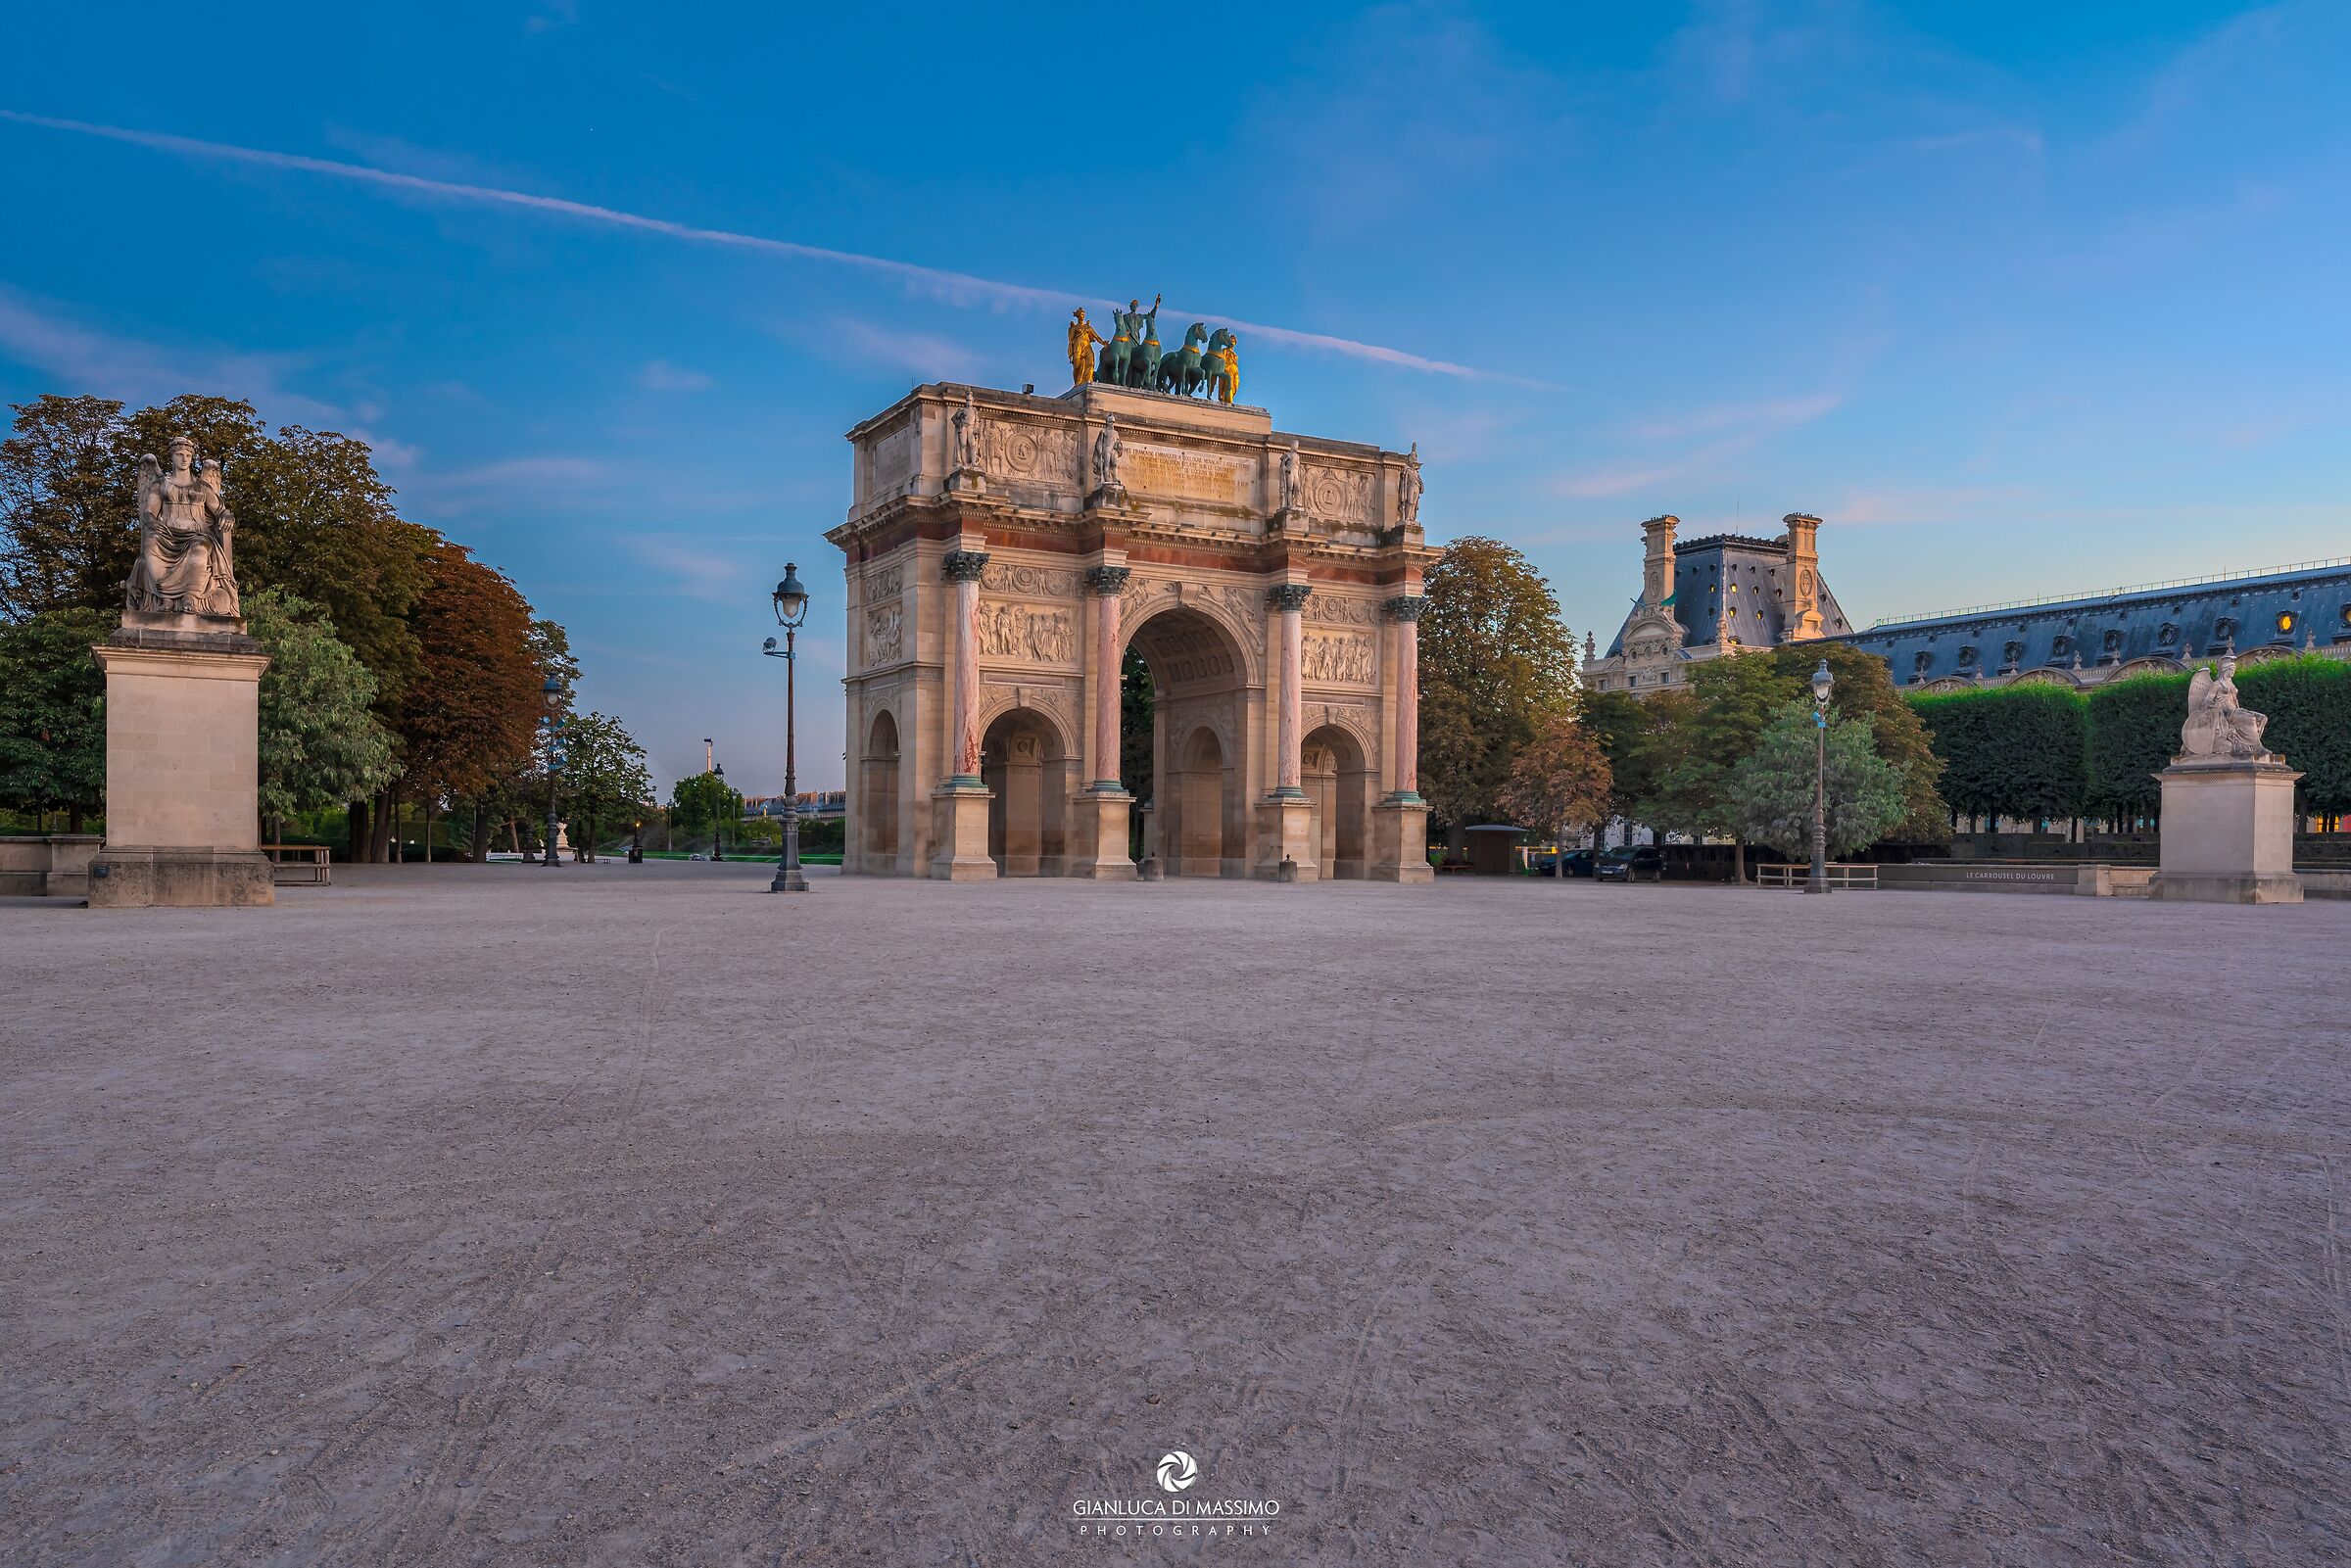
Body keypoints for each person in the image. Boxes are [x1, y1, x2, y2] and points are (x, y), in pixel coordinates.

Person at [1067, 308, 1106, 386]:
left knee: (1090, 363)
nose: (1083, 316)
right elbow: (1070, 341)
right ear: (1078, 316)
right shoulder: (1074, 328)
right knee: (1077, 366)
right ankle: (1077, 382)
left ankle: (1088, 380)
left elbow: (1097, 337)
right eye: (1081, 314)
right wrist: (1070, 352)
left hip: (1087, 347)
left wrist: (1103, 342)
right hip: (1078, 347)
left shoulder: (1088, 327)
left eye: (1084, 314)